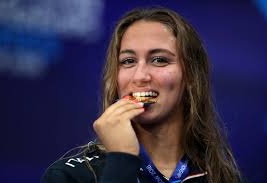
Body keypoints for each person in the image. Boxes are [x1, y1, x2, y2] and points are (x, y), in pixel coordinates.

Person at [41, 7, 242, 183]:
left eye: (159, 60)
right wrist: (122, 160)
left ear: (191, 75)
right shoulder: (70, 176)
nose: (140, 76)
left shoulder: (223, 178)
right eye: (128, 61)